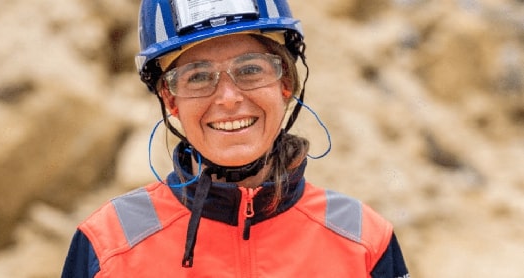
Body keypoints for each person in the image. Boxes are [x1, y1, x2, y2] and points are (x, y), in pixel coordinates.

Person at [62, 0, 410, 277]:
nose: (228, 97)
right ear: (171, 101)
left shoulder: (364, 241)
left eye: (250, 69)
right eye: (198, 77)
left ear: (285, 84)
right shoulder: (107, 246)